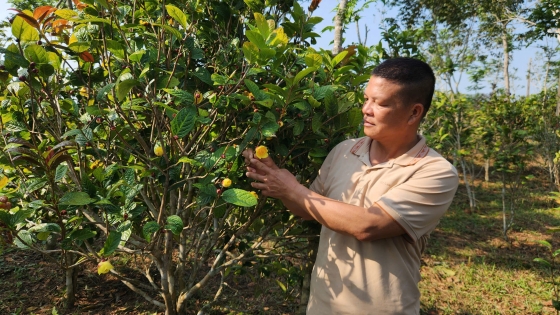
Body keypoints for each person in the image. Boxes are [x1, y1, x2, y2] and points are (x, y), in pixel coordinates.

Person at [243, 57, 459, 314]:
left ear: (414, 112)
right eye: (366, 99)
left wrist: (292, 188)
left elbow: (368, 225)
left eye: (380, 103)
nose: (367, 109)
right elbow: (306, 208)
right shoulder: (344, 151)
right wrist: (275, 178)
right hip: (323, 306)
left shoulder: (435, 171)